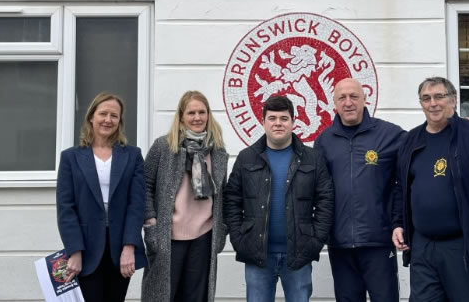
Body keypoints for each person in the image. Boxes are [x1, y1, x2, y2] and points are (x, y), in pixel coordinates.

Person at [391, 76, 469, 301]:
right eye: (426, 98)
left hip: (465, 246)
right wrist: (399, 223)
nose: (433, 103)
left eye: (439, 96)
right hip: (423, 248)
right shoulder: (411, 140)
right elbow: (402, 187)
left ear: (453, 100)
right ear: (421, 103)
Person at [224, 95, 334, 302]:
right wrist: (240, 240)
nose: (278, 123)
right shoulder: (246, 157)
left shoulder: (313, 158)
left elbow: (325, 201)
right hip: (258, 256)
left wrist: (316, 240)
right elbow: (231, 200)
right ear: (263, 121)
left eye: (284, 118)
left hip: (298, 255)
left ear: (293, 122)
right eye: (272, 118)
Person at [313, 78, 405, 302]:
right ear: (334, 104)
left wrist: (454, 130)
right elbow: (317, 191)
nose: (348, 103)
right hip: (340, 242)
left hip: (379, 241)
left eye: (354, 96)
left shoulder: (390, 135)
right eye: (342, 98)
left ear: (365, 99)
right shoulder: (324, 141)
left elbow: (425, 148)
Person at [56, 92, 147, 302]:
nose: (108, 120)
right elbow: (65, 208)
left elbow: (136, 204)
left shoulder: (132, 155)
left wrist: (129, 246)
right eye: (103, 114)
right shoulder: (70, 157)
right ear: (91, 117)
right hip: (86, 249)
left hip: (120, 249)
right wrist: (75, 250)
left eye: (114, 116)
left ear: (119, 121)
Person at [141, 91, 228, 302]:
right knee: (163, 296)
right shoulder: (163, 146)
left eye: (201, 112)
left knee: (195, 297)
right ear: (181, 116)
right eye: (191, 112)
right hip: (168, 236)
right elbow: (144, 186)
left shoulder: (217, 150)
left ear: (208, 115)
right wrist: (151, 224)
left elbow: (222, 194)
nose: (197, 117)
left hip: (204, 236)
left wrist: (222, 230)